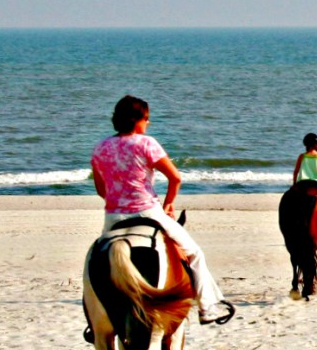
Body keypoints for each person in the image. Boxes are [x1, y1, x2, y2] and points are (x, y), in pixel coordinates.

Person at [90, 95, 235, 327]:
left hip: (114, 216)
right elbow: (175, 177)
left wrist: (120, 198)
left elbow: (101, 190)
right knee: (194, 253)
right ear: (137, 120)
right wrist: (168, 204)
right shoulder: (147, 143)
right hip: (148, 211)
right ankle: (207, 308)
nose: (148, 123)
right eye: (146, 119)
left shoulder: (101, 148)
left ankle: (95, 320)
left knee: (96, 262)